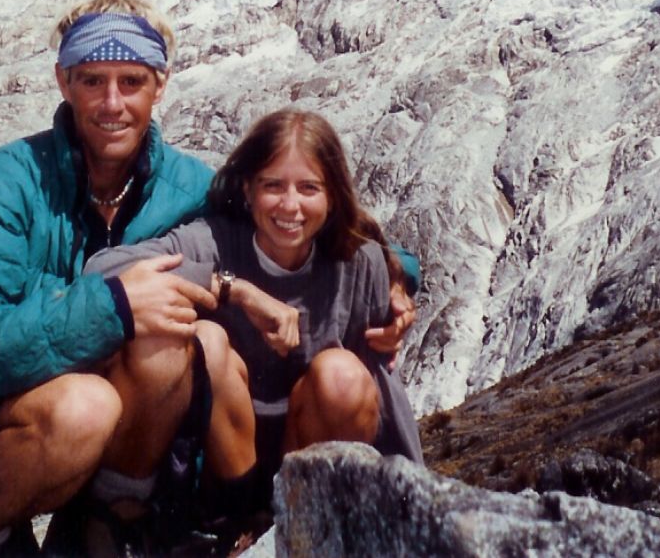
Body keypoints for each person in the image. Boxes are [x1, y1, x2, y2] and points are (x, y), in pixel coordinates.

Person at [0, 0, 225, 557]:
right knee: (84, 409)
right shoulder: (2, 184)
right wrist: (110, 306)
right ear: (64, 82)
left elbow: (299, 223)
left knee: (180, 332)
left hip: (102, 436)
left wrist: (393, 274)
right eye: (92, 81)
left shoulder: (192, 188)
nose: (111, 103)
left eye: (131, 82)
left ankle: (106, 524)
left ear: (159, 85)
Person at [83, 108, 424, 535]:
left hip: (313, 442)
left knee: (343, 376)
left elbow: (382, 385)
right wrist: (232, 288)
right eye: (273, 186)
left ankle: (314, 518)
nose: (290, 205)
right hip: (221, 467)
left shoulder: (361, 264)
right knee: (206, 341)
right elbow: (101, 270)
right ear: (247, 189)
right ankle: (236, 525)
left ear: (333, 196)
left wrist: (415, 496)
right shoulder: (213, 241)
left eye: (309, 188)